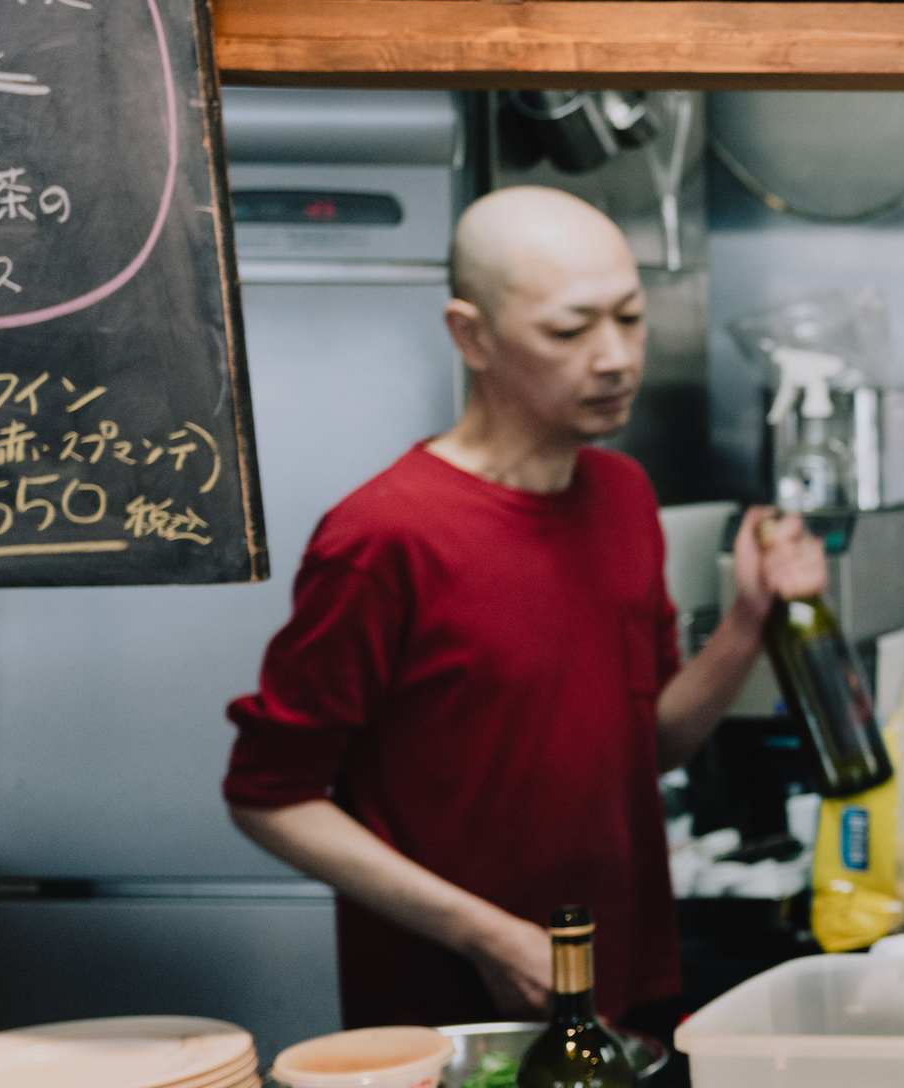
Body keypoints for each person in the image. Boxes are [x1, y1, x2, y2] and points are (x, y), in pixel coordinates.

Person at [224, 186, 826, 1028]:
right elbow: (269, 796)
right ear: (470, 333)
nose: (615, 357)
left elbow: (644, 747)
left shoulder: (622, 495)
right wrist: (487, 936)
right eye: (571, 330)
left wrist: (748, 621)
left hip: (622, 988)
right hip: (453, 1023)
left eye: (630, 317)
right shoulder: (384, 536)